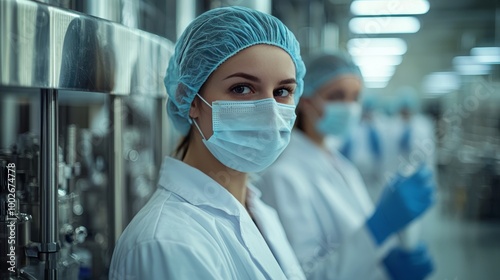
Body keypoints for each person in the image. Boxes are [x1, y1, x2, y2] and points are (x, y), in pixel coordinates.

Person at [109, 6, 307, 279]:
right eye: (242, 88)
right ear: (189, 98)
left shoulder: (259, 212)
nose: (271, 111)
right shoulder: (166, 242)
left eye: (282, 91)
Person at [254, 52, 435, 280]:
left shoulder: (340, 164)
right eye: (337, 96)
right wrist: (379, 227)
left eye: (355, 97)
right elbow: (306, 274)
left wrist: (388, 261)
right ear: (306, 100)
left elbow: (357, 241)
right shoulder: (283, 176)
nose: (349, 107)